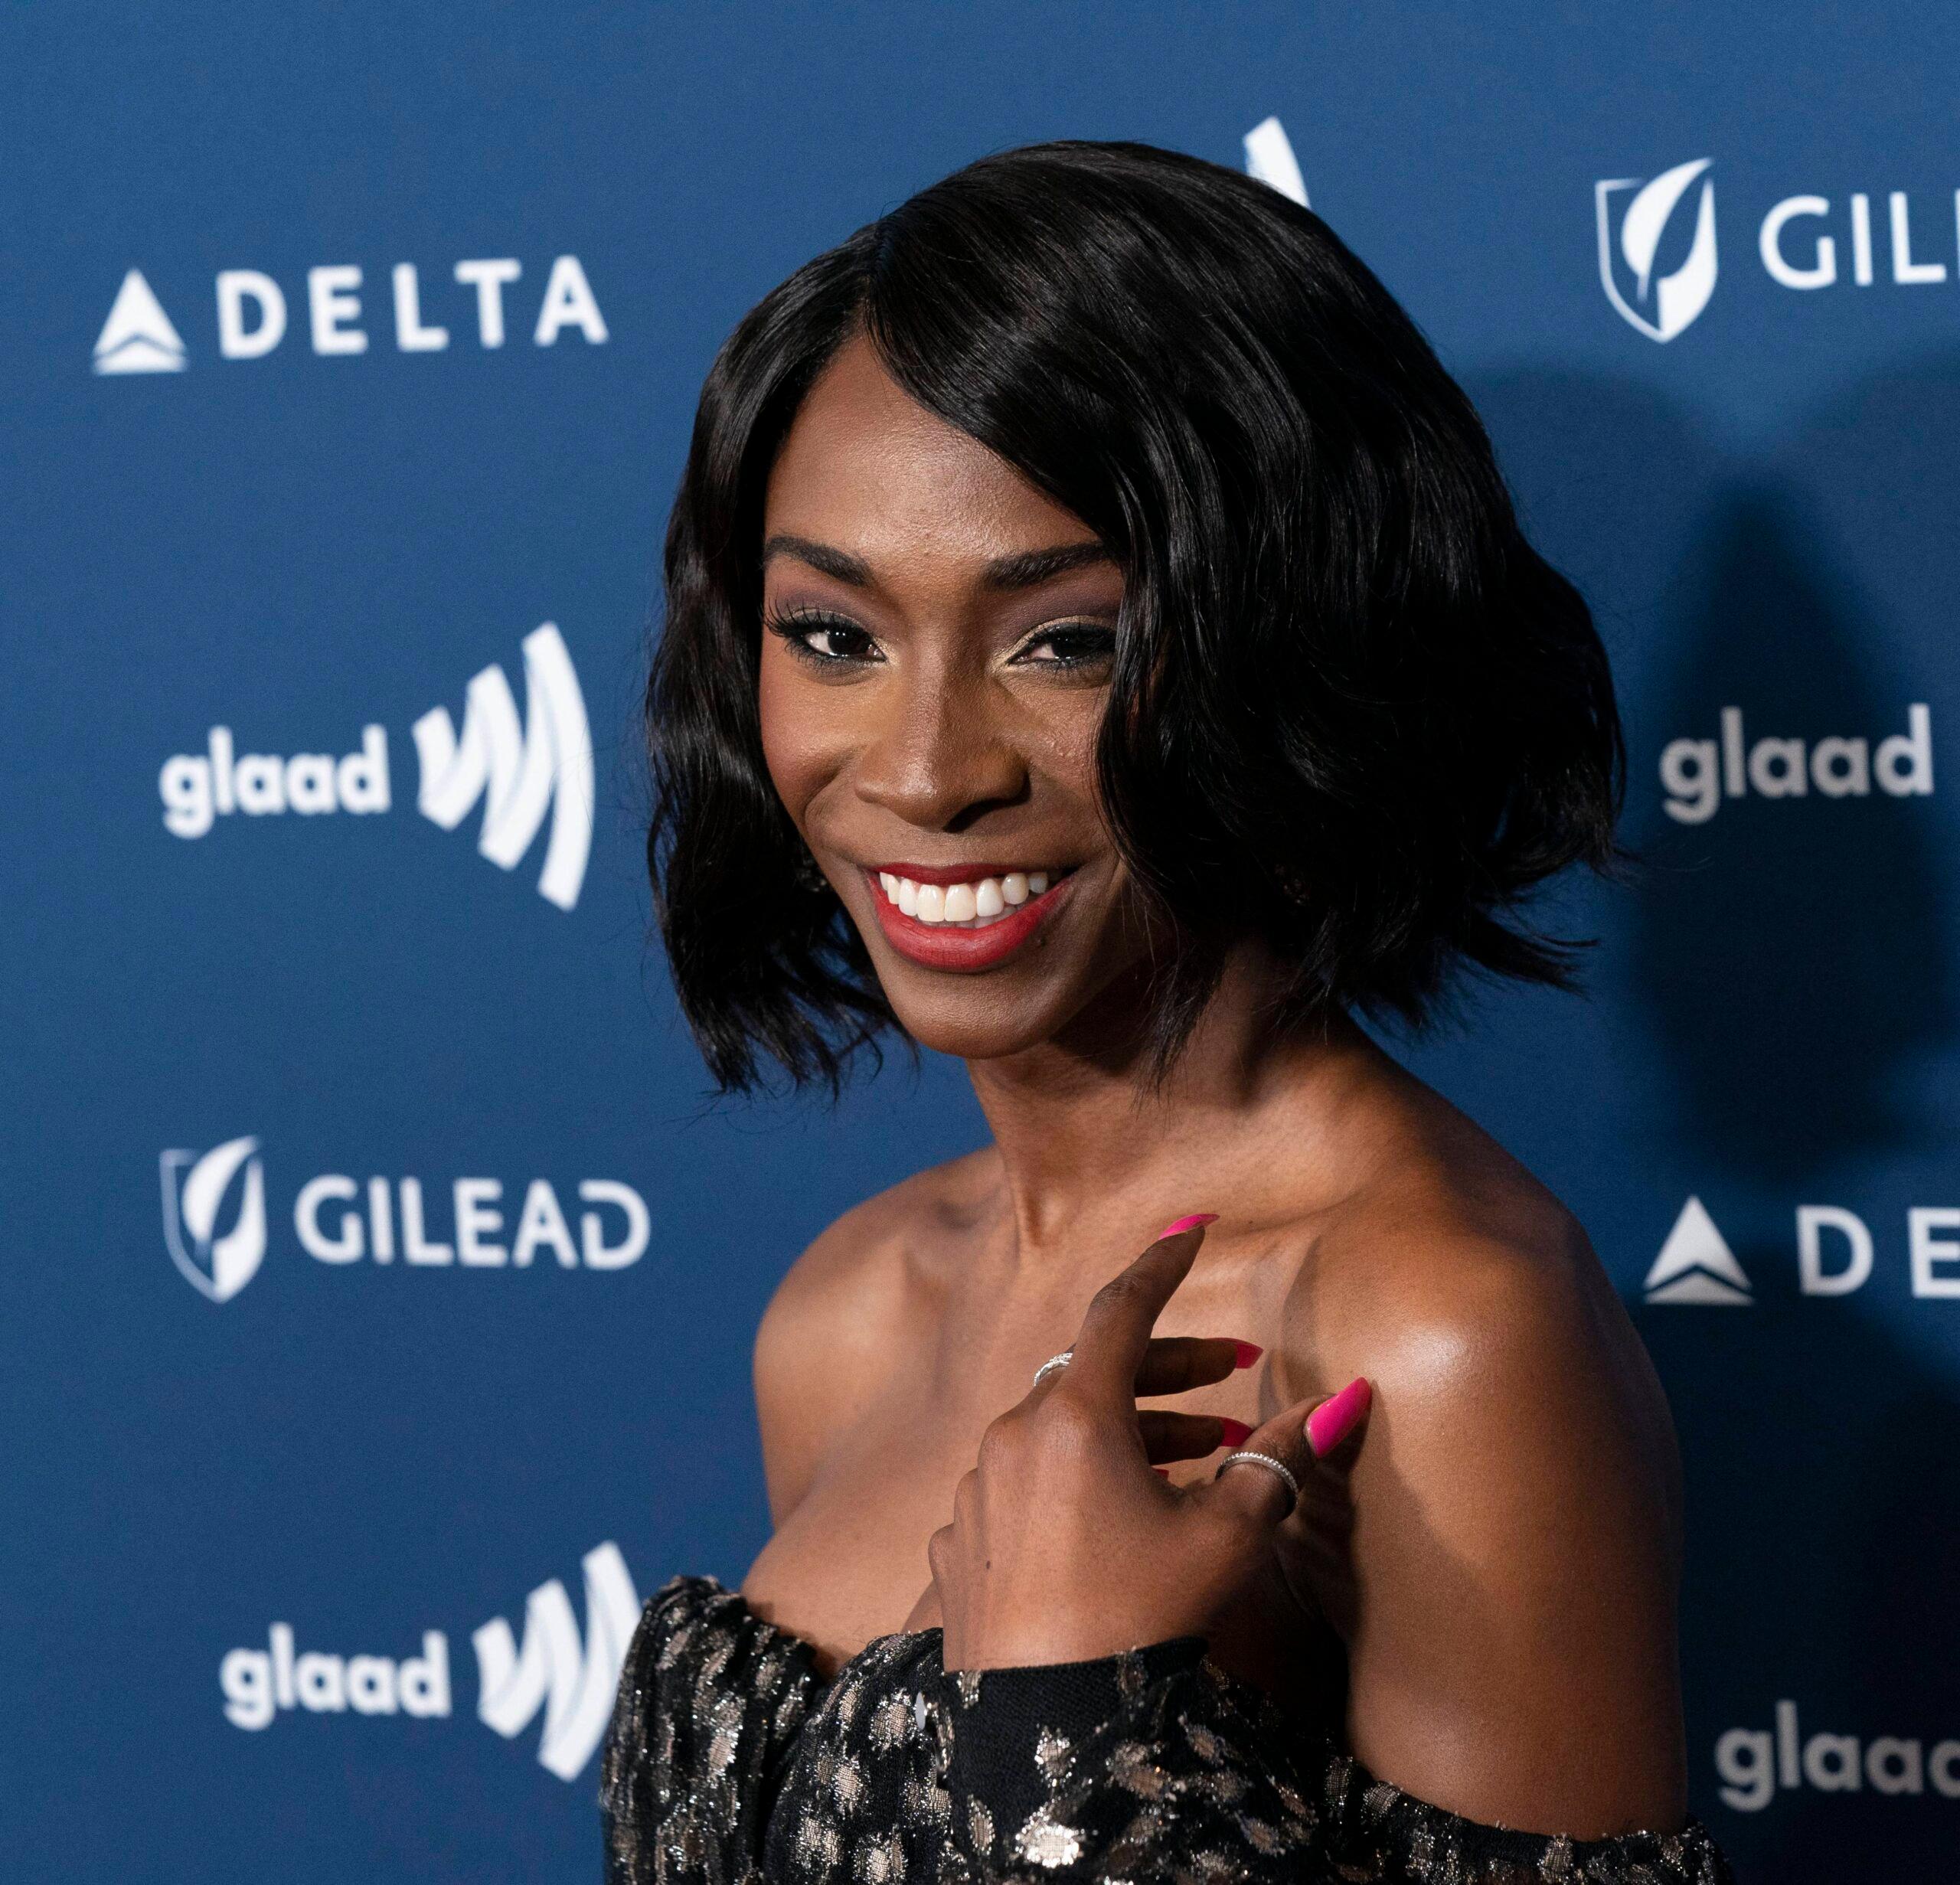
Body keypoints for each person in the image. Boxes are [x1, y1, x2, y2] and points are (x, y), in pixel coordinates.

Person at [601, 139, 1736, 1883]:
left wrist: (1066, 1718)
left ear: (1292, 648)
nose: (919, 769)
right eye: (830, 633)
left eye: (1063, 641)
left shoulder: (1433, 1335)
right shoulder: (844, 1310)